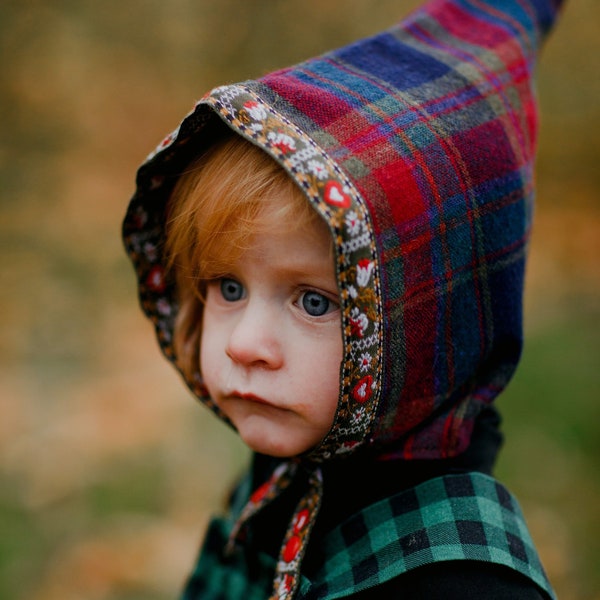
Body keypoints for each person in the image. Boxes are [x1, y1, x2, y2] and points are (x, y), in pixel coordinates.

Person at [122, 0, 564, 597]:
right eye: (229, 288)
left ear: (430, 324)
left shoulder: (464, 578)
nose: (245, 344)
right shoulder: (286, 475)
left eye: (314, 302)